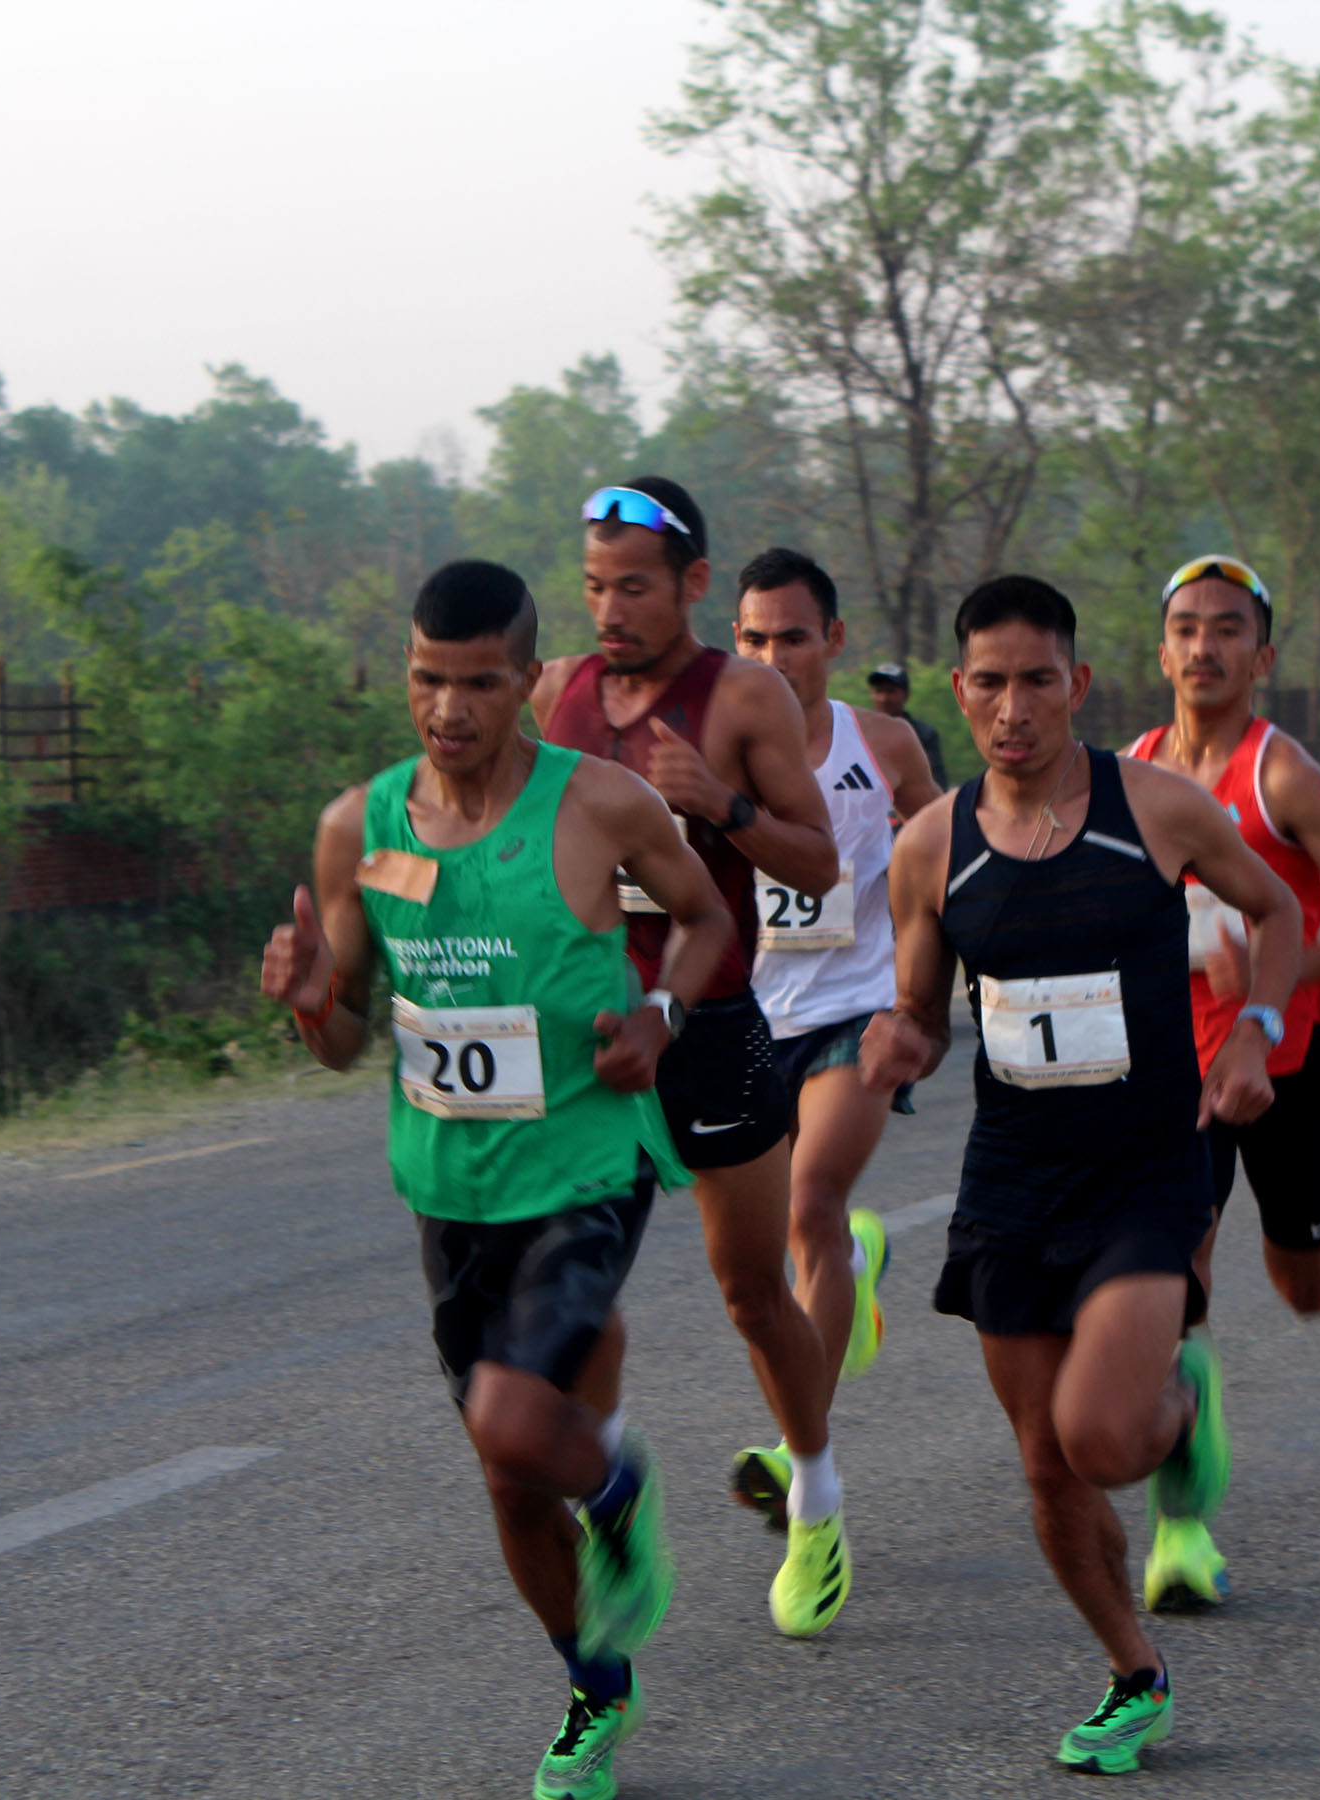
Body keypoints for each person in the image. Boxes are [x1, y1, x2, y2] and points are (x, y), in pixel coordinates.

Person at [259, 561, 736, 1800]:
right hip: (449, 1184)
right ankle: (592, 1685)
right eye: (429, 679)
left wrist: (662, 1009)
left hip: (584, 1163)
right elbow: (349, 1028)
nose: (450, 708)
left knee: (515, 1421)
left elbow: (703, 917)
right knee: (506, 1474)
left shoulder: (601, 805)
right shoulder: (359, 827)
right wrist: (313, 1003)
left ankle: (622, 1491)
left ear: (530, 680)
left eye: (480, 682)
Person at [861, 576, 1303, 1773]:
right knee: (1046, 1463)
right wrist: (903, 1040)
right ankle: (1132, 1672)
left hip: (1149, 1168)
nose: (1014, 708)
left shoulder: (1155, 807)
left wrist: (1257, 1031)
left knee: (1104, 1437)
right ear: (961, 693)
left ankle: (1178, 1404)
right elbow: (922, 1007)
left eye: (1038, 681)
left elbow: (1277, 914)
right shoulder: (931, 847)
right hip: (1011, 1178)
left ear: (1080, 686)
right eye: (991, 684)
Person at [533, 478, 863, 1639]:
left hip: (715, 1025)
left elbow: (819, 866)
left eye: (634, 586)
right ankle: (611, 1492)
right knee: (574, 1288)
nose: (610, 609)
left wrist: (718, 803)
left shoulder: (744, 696)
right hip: (592, 1041)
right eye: (593, 587)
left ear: (693, 585)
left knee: (750, 1291)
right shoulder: (555, 695)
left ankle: (816, 1499)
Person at [1121, 553, 1320, 1609]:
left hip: (1286, 1066)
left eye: (1227, 629)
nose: (1205, 646)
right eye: (1188, 628)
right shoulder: (1132, 773)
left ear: (1262, 654)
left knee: (1303, 1283)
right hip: (1168, 1075)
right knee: (1172, 1283)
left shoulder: (1280, 775)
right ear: (1162, 652)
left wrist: (1273, 973)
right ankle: (1180, 1528)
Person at [725, 548, 945, 1567]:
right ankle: (853, 1265)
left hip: (855, 1014)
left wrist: (924, 999)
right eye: (756, 638)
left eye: (795, 636)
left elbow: (944, 866)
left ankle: (804, 1471)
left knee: (811, 1200)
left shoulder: (884, 742)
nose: (775, 656)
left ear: (834, 642)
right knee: (773, 1257)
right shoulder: (709, 749)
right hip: (743, 1020)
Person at [866, 660, 950, 787]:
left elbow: (937, 781)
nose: (884, 698)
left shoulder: (923, 734)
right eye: (879, 691)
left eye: (891, 691)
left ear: (905, 696)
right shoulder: (859, 732)